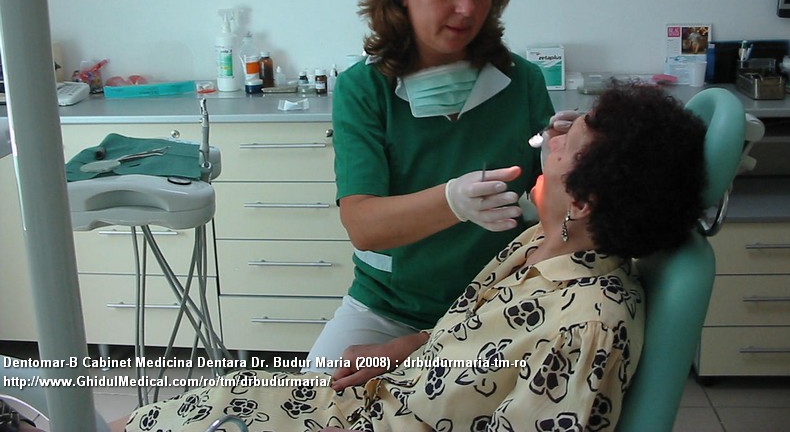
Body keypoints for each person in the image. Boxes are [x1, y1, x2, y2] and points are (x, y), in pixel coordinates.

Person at [113, 83, 707, 431]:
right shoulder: (540, 244)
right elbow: (478, 337)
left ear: (583, 197)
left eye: (567, 141)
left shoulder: (587, 324)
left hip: (386, 418)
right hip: (380, 394)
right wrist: (406, 348)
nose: (551, 137)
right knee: (206, 401)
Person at [305, 0, 556, 369]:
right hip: (388, 310)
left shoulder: (522, 82)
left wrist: (571, 154)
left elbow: (557, 203)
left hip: (498, 305)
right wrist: (452, 201)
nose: (467, 8)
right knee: (317, 394)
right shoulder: (365, 88)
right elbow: (363, 225)